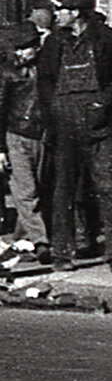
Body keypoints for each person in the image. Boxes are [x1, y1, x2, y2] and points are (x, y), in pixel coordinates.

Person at [36, 0, 112, 272]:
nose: (56, 16)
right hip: (65, 124)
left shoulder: (108, 39)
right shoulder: (54, 42)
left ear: (76, 12)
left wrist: (101, 103)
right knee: (64, 190)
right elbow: (44, 80)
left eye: (61, 10)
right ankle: (62, 254)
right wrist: (54, 107)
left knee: (109, 187)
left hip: (100, 124)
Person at [0, 20, 46, 261]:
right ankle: (40, 241)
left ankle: (22, 238)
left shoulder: (46, 67)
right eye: (16, 49)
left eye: (24, 48)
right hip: (16, 133)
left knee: (35, 187)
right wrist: (0, 148)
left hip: (41, 133)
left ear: (36, 46)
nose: (19, 53)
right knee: (26, 189)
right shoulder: (7, 72)